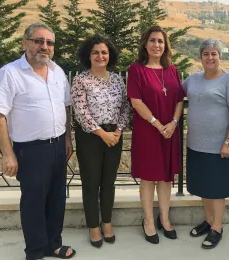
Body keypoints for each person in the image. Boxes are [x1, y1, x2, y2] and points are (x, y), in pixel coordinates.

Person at [0, 23, 76, 259]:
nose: (44, 47)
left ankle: (53, 244)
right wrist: (8, 154)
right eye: (39, 41)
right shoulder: (9, 73)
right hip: (31, 150)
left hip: (58, 146)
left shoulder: (57, 71)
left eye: (49, 43)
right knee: (34, 202)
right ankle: (35, 251)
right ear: (25, 43)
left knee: (57, 199)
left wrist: (67, 137)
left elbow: (65, 108)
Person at [182, 39, 229, 249]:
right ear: (200, 57)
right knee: (203, 187)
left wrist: (228, 141)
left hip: (220, 147)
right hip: (196, 144)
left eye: (214, 54)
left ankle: (217, 227)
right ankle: (208, 221)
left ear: (220, 56)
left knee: (217, 189)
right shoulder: (192, 80)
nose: (210, 57)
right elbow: (174, 95)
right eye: (206, 54)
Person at [127, 25, 184, 244]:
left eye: (160, 41)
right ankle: (149, 221)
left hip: (170, 130)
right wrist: (158, 124)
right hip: (148, 131)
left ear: (166, 45)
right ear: (145, 44)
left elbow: (179, 99)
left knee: (166, 176)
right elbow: (136, 101)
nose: (156, 45)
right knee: (149, 176)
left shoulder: (172, 69)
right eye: (152, 40)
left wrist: (173, 123)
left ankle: (165, 218)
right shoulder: (136, 69)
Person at [71, 34, 130, 248]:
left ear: (109, 55)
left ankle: (107, 223)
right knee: (90, 183)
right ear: (88, 55)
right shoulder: (80, 80)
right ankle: (93, 226)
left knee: (108, 183)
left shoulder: (116, 79)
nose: (100, 56)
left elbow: (125, 106)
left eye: (104, 52)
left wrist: (118, 130)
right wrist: (101, 133)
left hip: (114, 136)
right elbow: (80, 111)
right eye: (95, 52)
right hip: (90, 138)